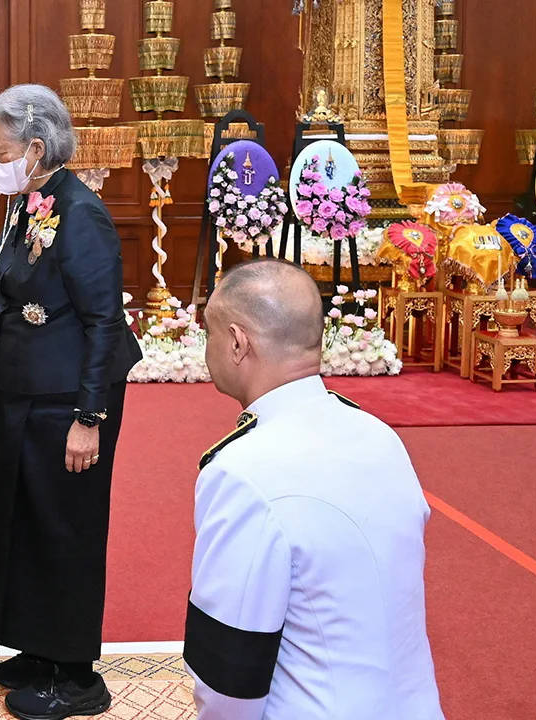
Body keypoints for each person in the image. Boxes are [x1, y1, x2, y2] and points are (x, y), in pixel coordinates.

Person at [0, 83, 141, 720]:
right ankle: (40, 648)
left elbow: (102, 323)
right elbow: (15, 284)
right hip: (23, 395)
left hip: (68, 401)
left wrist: (88, 420)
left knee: (63, 529)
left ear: (35, 148)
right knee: (24, 523)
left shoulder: (81, 213)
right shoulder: (29, 201)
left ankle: (77, 675)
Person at [189, 258, 444, 719]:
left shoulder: (242, 471)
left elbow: (229, 672)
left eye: (209, 334)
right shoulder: (379, 435)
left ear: (236, 342)